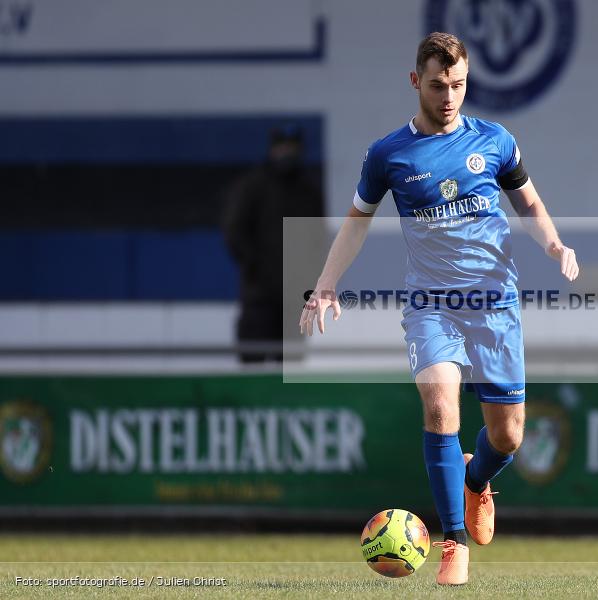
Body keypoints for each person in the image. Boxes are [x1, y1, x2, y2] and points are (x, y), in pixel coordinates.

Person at [299, 32, 578, 585]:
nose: (449, 96)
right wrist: (326, 284)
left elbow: (529, 201)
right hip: (431, 306)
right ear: (415, 82)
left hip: (495, 304)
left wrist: (553, 243)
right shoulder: (389, 154)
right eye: (437, 85)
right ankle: (453, 541)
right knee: (440, 407)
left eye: (458, 84)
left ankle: (477, 481)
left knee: (508, 437)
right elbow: (356, 223)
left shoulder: (495, 141)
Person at [223, 126, 324, 363]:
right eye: (282, 147)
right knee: (253, 360)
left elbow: (317, 239)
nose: (286, 153)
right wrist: (255, 265)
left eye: (291, 147)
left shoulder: (308, 191)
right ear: (272, 149)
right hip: (259, 295)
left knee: (289, 365)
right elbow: (234, 230)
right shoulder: (253, 187)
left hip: (295, 297)